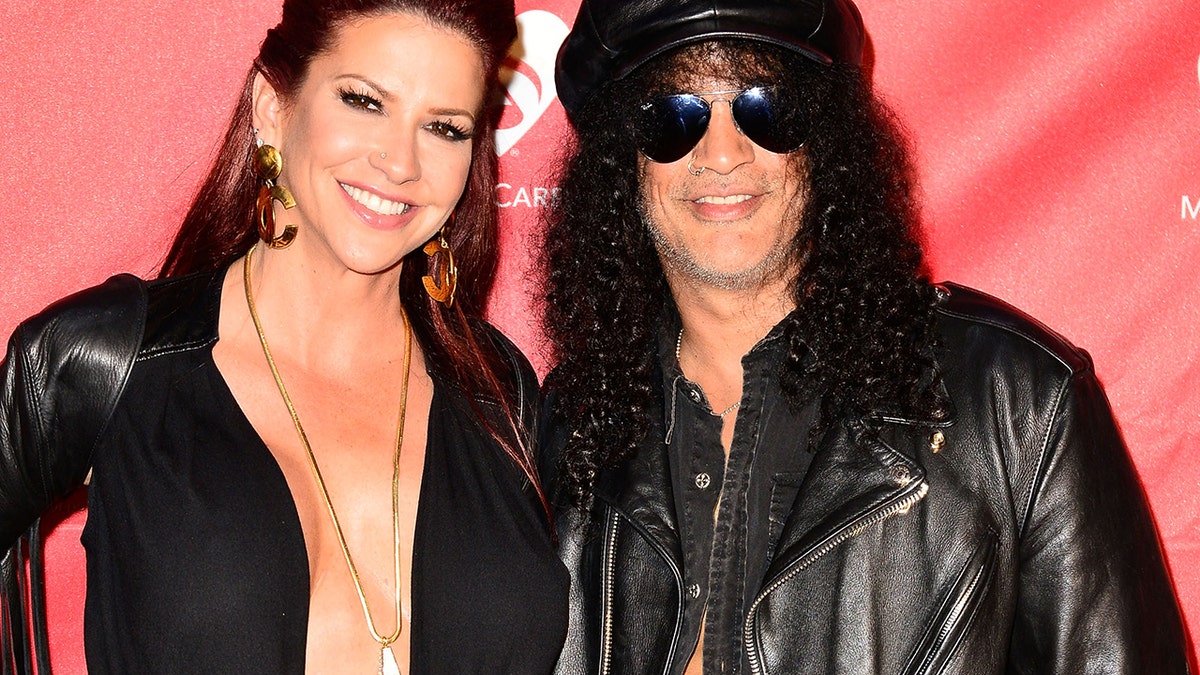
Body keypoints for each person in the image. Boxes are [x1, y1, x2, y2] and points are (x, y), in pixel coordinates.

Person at [539, 0, 1191, 673]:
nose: (724, 151)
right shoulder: (571, 425)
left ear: (826, 140)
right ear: (622, 162)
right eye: (673, 116)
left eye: (768, 107)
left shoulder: (1017, 403)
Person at [0, 0, 568, 672]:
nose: (400, 162)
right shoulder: (111, 361)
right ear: (274, 106)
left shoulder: (498, 393)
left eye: (443, 127)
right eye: (364, 101)